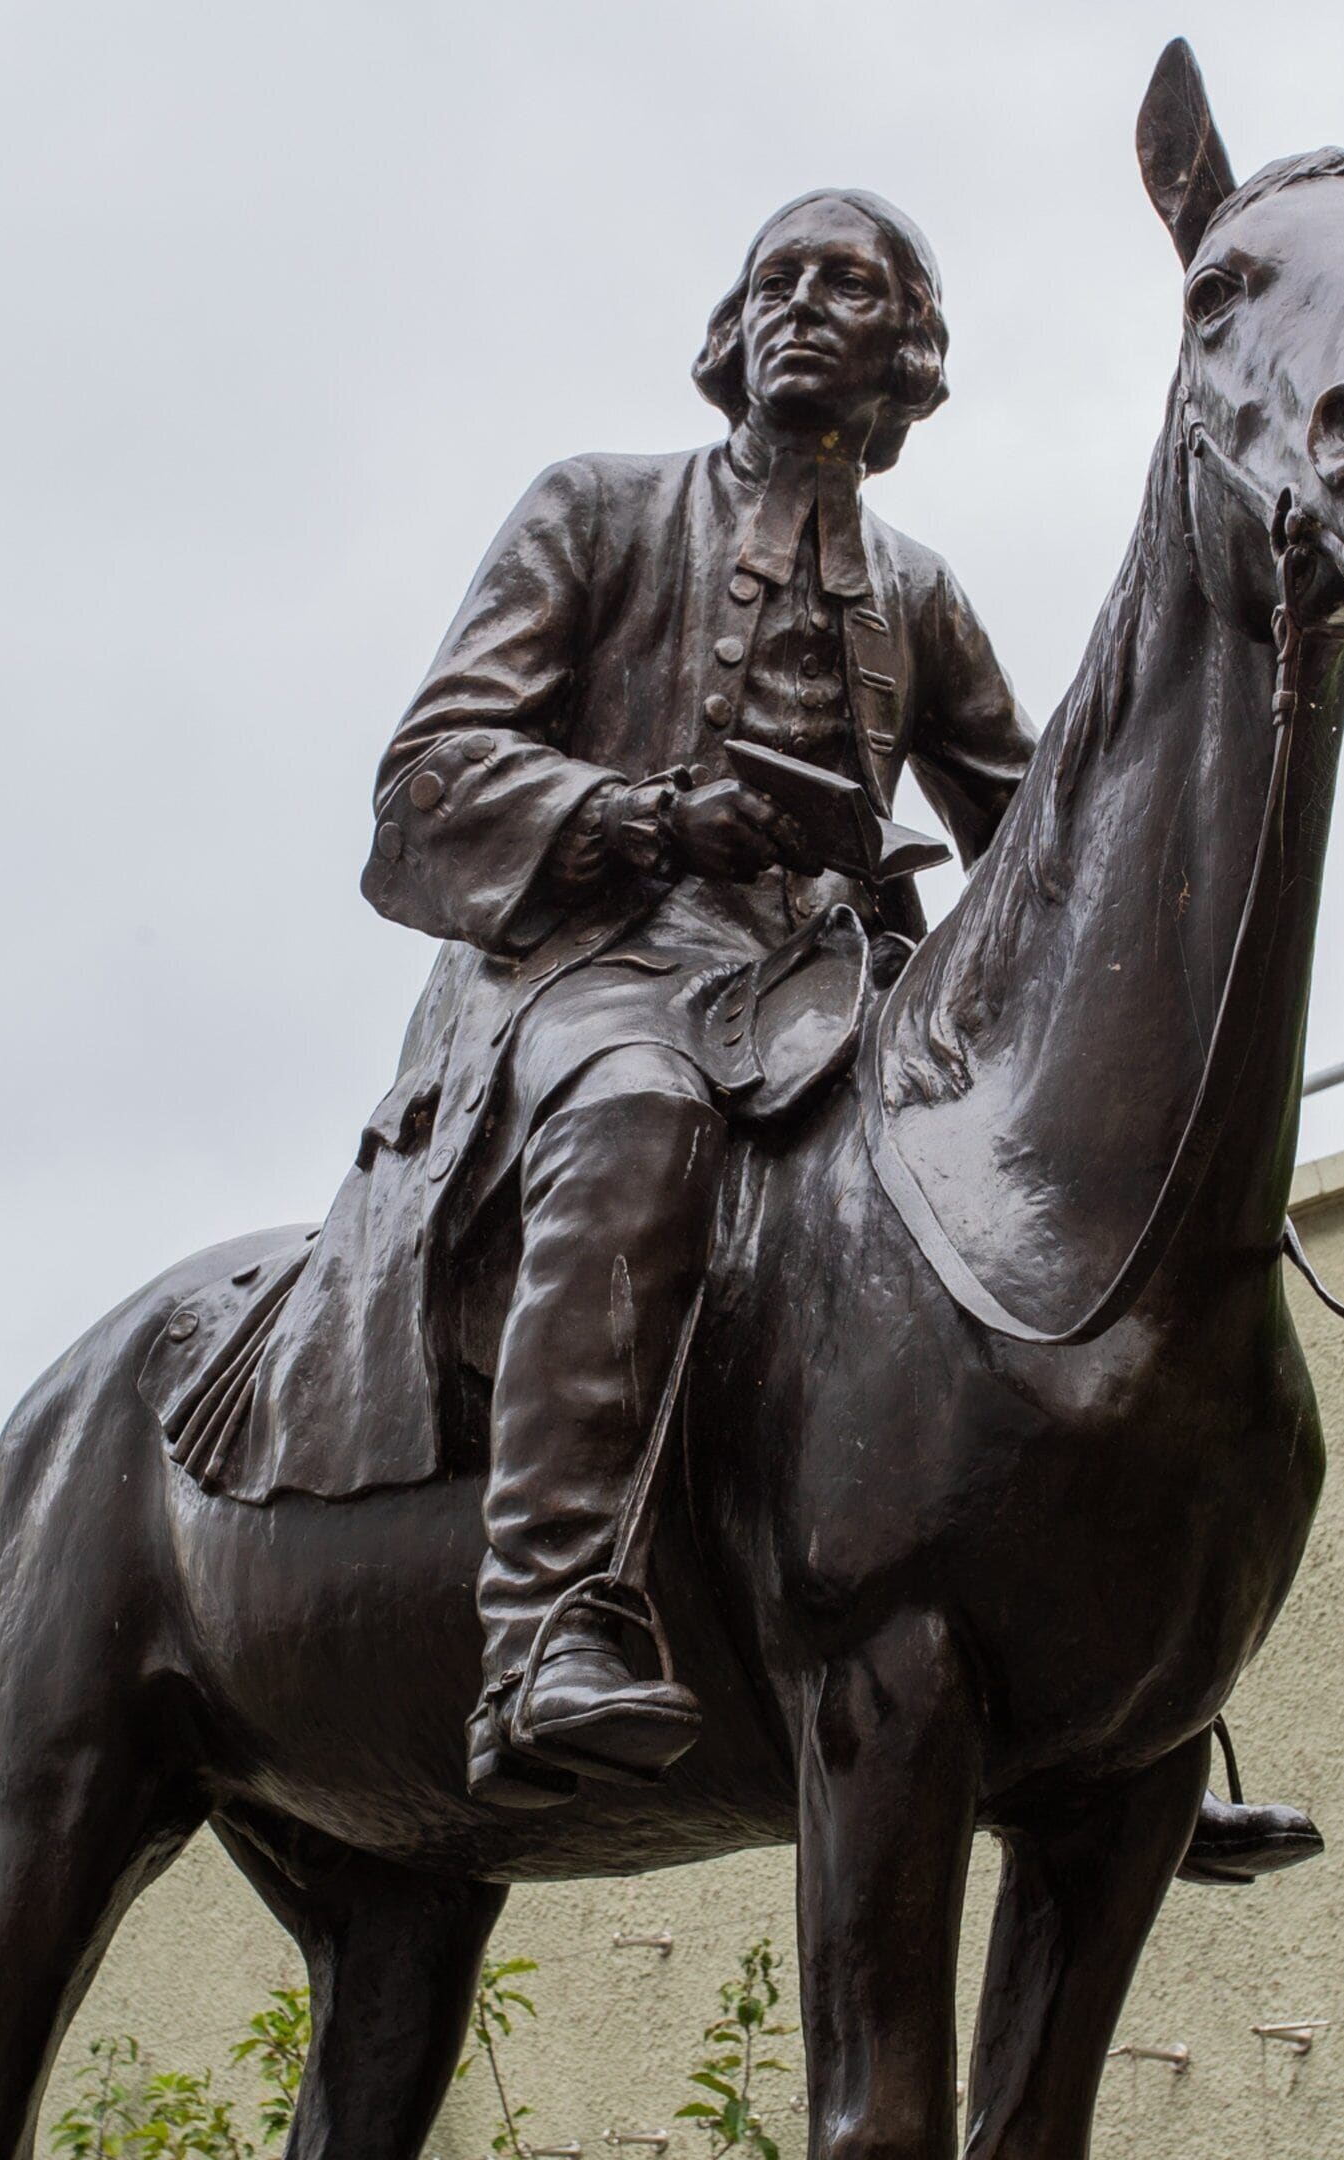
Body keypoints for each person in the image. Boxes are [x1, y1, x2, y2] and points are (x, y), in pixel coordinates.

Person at [356, 190, 1035, 1807]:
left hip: (832, 999)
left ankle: (1109, 1671)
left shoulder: (922, 597)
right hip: (590, 975)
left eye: (849, 288)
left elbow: (1045, 840)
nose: (803, 305)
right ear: (730, 339)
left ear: (906, 354)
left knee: (1023, 1197)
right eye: (776, 282)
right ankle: (542, 1627)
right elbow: (427, 779)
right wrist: (650, 815)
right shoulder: (593, 509)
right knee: (643, 1109)